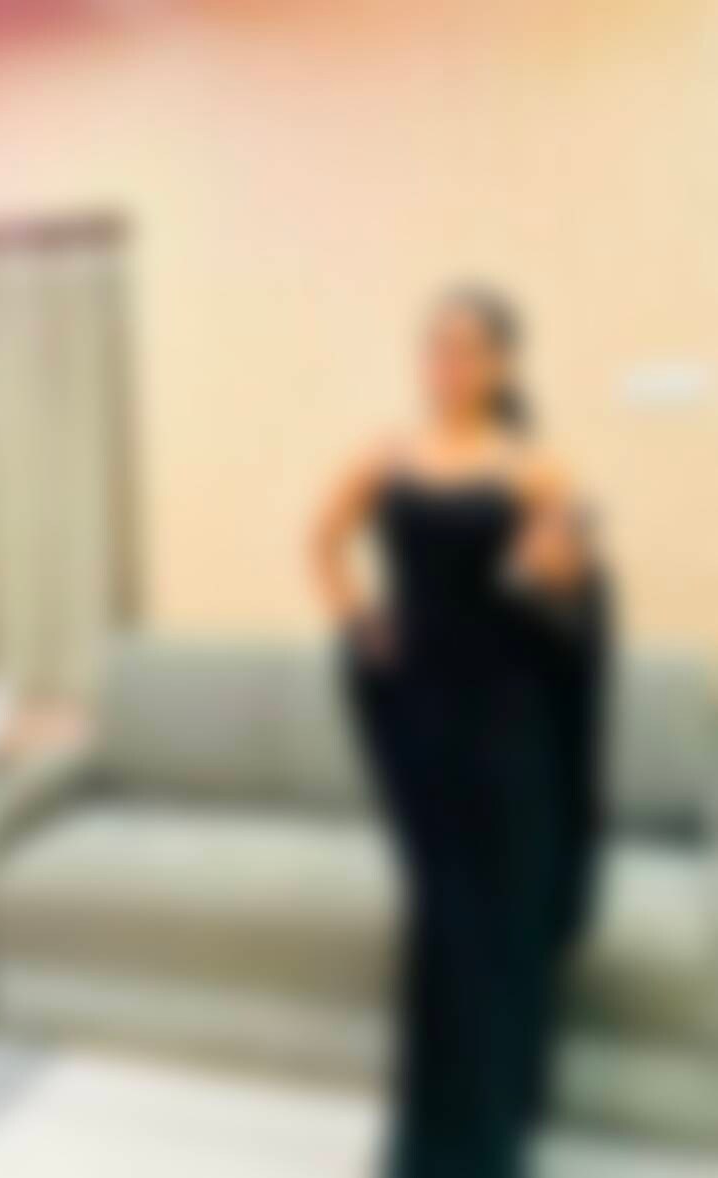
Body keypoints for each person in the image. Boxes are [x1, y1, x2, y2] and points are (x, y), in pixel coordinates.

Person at [309, 285, 608, 1178]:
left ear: (502, 364)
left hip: (508, 728)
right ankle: (431, 1141)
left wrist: (559, 560)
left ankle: (492, 1132)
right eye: (435, 347)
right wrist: (363, 623)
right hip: (421, 722)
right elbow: (322, 543)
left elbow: (572, 586)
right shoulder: (385, 454)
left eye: (468, 349)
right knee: (440, 923)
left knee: (498, 923)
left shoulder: (532, 466)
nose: (448, 364)